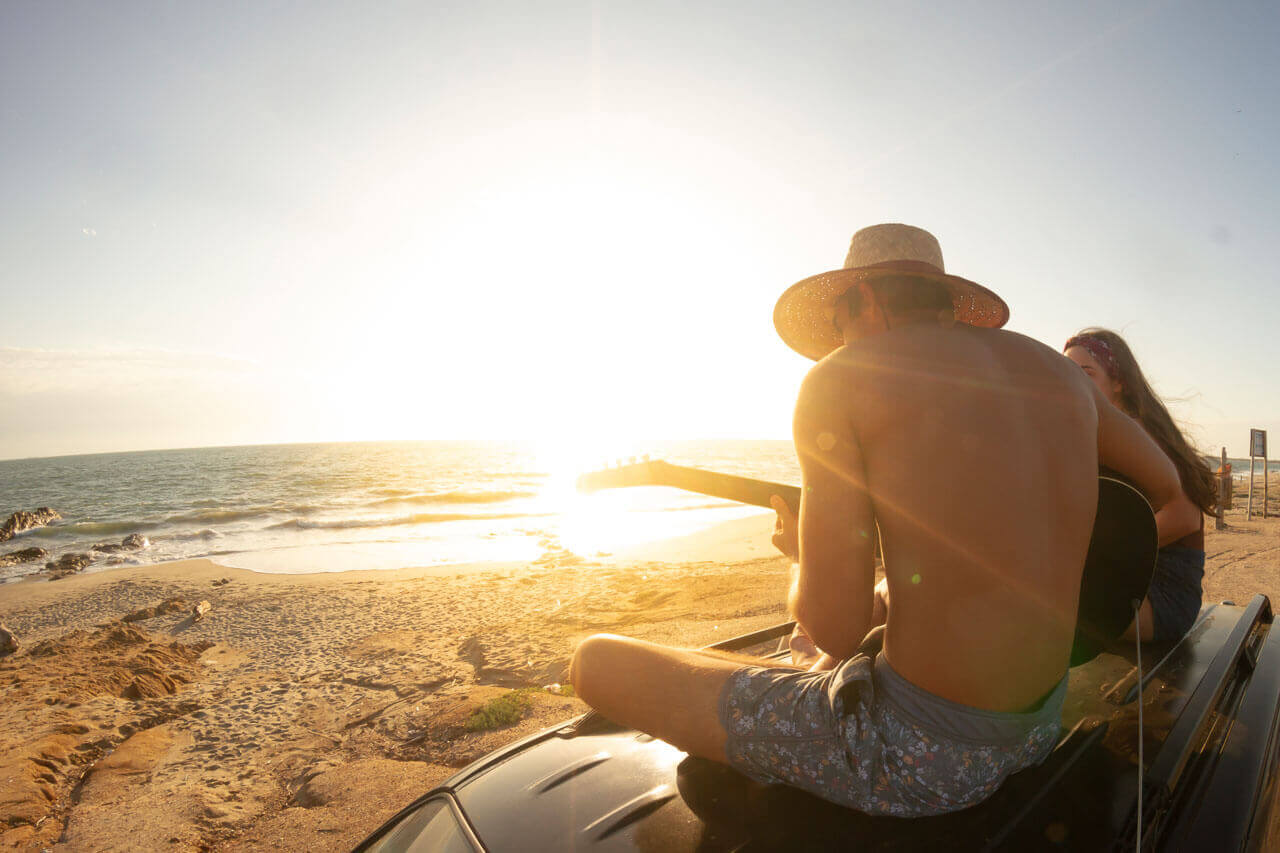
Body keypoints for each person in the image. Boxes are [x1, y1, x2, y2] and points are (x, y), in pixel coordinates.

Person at [569, 224, 1184, 817]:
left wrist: (805, 557)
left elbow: (835, 630)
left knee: (596, 660)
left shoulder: (839, 380)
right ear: (944, 301)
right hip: (1039, 726)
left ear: (862, 296)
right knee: (776, 673)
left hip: (923, 756)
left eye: (839, 323)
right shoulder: (1057, 374)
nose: (840, 343)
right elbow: (1164, 484)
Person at [1064, 328, 1212, 642]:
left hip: (1160, 595)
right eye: (1068, 373)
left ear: (1119, 383)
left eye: (1086, 373)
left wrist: (1099, 557)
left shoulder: (1131, 429)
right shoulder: (1098, 428)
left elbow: (1187, 516)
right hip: (1131, 581)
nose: (1074, 383)